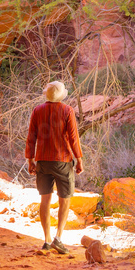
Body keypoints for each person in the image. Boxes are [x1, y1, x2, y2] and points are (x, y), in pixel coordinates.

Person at [26, 80, 84, 254]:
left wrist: (30, 159)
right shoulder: (67, 111)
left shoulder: (37, 111)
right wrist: (79, 159)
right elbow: (73, 137)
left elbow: (31, 136)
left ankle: (47, 240)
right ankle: (59, 238)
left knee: (45, 200)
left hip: (42, 160)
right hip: (63, 160)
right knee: (64, 199)